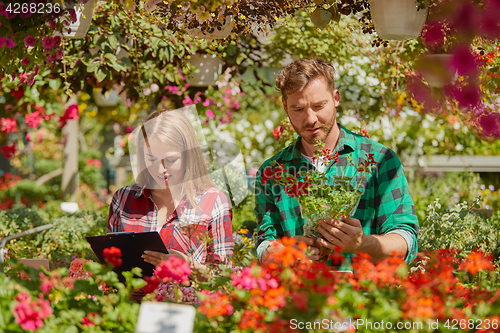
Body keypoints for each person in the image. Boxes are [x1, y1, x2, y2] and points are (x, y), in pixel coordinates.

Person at [254, 58, 419, 267]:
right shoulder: (273, 171)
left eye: (318, 105)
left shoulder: (380, 160)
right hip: (299, 295)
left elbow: (405, 240)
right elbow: (265, 241)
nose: (310, 118)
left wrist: (363, 243)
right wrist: (282, 253)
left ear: (336, 98)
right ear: (285, 108)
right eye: (298, 109)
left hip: (363, 294)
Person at [107, 108, 233, 278]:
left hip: (186, 304)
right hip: (131, 303)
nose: (160, 169)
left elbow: (224, 278)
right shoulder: (123, 199)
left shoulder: (214, 202)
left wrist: (189, 266)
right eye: (151, 159)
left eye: (171, 160)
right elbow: (110, 267)